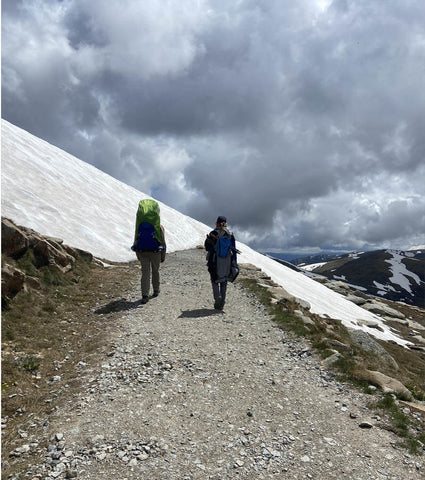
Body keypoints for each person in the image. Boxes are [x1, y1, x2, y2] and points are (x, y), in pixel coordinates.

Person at [132, 199, 166, 304]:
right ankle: (156, 290)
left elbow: (136, 239)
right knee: (155, 271)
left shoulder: (139, 225)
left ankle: (145, 295)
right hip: (155, 251)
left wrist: (137, 253)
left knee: (145, 273)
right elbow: (163, 241)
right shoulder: (158, 226)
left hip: (142, 251)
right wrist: (163, 255)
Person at [204, 215, 237, 310]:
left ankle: (217, 297)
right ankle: (222, 303)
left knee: (214, 279)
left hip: (215, 260)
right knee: (224, 280)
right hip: (227, 261)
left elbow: (207, 247)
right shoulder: (230, 235)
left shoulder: (213, 233)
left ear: (217, 223)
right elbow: (233, 250)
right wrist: (234, 263)